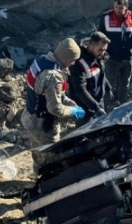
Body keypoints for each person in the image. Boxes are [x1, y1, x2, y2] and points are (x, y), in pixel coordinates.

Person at [21, 38, 86, 175]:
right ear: (65, 58)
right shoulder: (53, 76)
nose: (73, 63)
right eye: (73, 60)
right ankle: (46, 183)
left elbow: (47, 93)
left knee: (37, 152)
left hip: (29, 115)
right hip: (42, 125)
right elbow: (55, 108)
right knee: (52, 159)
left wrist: (67, 101)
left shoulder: (42, 61)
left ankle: (37, 176)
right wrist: (73, 111)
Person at [99, 0, 132, 106]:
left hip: (128, 58)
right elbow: (100, 35)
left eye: (121, 8)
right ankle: (105, 106)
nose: (117, 10)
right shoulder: (106, 17)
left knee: (125, 83)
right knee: (109, 84)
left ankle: (122, 103)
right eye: (116, 7)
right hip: (112, 58)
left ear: (126, 7)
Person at [68, 31, 111, 122]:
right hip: (83, 106)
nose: (103, 53)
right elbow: (80, 89)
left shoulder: (98, 58)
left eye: (104, 50)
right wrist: (95, 107)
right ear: (90, 46)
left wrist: (108, 88)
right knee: (86, 130)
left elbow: (101, 74)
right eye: (100, 49)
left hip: (98, 102)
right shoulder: (78, 63)